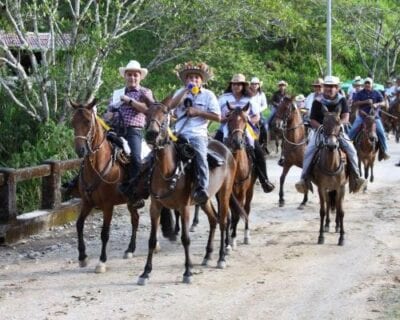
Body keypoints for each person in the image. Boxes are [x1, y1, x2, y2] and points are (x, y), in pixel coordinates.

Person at [294, 75, 366, 194]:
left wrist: (337, 126)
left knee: (351, 149)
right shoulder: (317, 101)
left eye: (333, 86)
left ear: (337, 88)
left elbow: (346, 117)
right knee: (308, 151)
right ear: (324, 87)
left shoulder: (342, 100)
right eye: (328, 86)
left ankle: (356, 178)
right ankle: (304, 180)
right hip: (321, 131)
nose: (330, 89)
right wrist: (321, 127)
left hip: (337, 132)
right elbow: (312, 119)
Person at [169, 61, 221, 204]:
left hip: (197, 133)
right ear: (186, 80)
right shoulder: (180, 93)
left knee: (200, 156)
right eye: (190, 77)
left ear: (202, 80)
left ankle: (202, 188)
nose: (193, 80)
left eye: (196, 77)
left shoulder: (209, 95)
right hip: (177, 132)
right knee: (158, 151)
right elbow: (170, 107)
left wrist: (198, 112)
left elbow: (217, 117)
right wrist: (184, 92)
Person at [104, 60, 154, 204]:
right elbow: (108, 111)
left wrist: (129, 101)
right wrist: (108, 115)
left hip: (133, 130)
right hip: (115, 129)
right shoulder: (117, 93)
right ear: (125, 76)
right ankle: (83, 185)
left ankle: (135, 192)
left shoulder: (145, 92)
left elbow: (149, 109)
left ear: (140, 77)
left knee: (136, 159)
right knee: (95, 149)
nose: (132, 78)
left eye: (135, 75)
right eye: (129, 75)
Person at [217, 74, 275, 193]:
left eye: (239, 84)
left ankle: (264, 180)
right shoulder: (223, 98)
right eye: (234, 84)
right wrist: (224, 119)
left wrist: (246, 122)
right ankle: (209, 179)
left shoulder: (250, 99)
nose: (236, 86)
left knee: (258, 151)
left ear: (243, 86)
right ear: (231, 85)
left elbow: (257, 116)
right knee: (213, 148)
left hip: (245, 127)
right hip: (225, 126)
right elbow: (217, 115)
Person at [348, 77, 390, 161]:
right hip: (362, 117)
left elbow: (384, 103)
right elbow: (355, 103)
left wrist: (377, 104)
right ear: (364, 85)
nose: (367, 85)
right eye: (366, 83)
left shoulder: (377, 93)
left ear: (371, 84)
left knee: (381, 133)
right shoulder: (359, 93)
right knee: (352, 131)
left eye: (369, 83)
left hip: (374, 117)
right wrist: (366, 101)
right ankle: (347, 150)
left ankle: (384, 151)